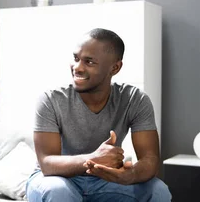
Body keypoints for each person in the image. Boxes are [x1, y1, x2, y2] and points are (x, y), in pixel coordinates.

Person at [25, 28, 171, 201]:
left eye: (89, 62)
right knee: (58, 191)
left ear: (115, 68)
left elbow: (150, 160)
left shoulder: (134, 99)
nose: (77, 68)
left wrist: (129, 175)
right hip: (57, 179)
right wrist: (93, 159)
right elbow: (47, 164)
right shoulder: (51, 99)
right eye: (76, 59)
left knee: (158, 190)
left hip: (105, 182)